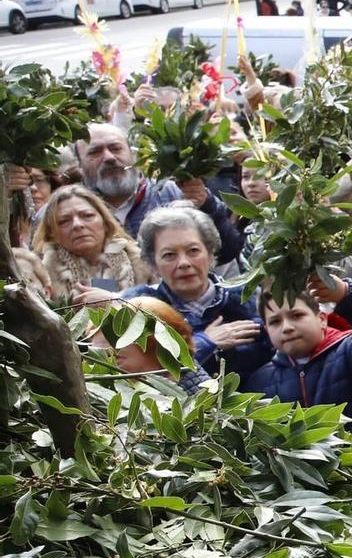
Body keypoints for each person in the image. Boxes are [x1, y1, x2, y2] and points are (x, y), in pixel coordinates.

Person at [123, 204, 270, 380]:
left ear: (210, 254)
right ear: (153, 265)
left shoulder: (247, 298)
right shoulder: (140, 308)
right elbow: (142, 373)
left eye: (193, 251)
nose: (183, 263)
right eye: (169, 255)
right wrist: (205, 343)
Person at [243, 273, 352, 425]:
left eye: (297, 315)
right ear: (266, 329)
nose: (286, 327)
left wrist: (347, 294)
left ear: (322, 319)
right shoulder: (259, 383)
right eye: (275, 322)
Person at [79, 121, 243, 264]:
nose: (108, 157)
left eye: (116, 148)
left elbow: (227, 252)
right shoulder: (75, 211)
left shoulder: (174, 193)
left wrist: (205, 205)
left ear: (134, 154)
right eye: (95, 152)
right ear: (80, 165)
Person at [32, 182, 147, 294]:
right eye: (64, 221)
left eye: (87, 215)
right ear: (52, 233)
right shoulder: (38, 273)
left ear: (105, 222)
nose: (77, 225)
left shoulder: (143, 263)